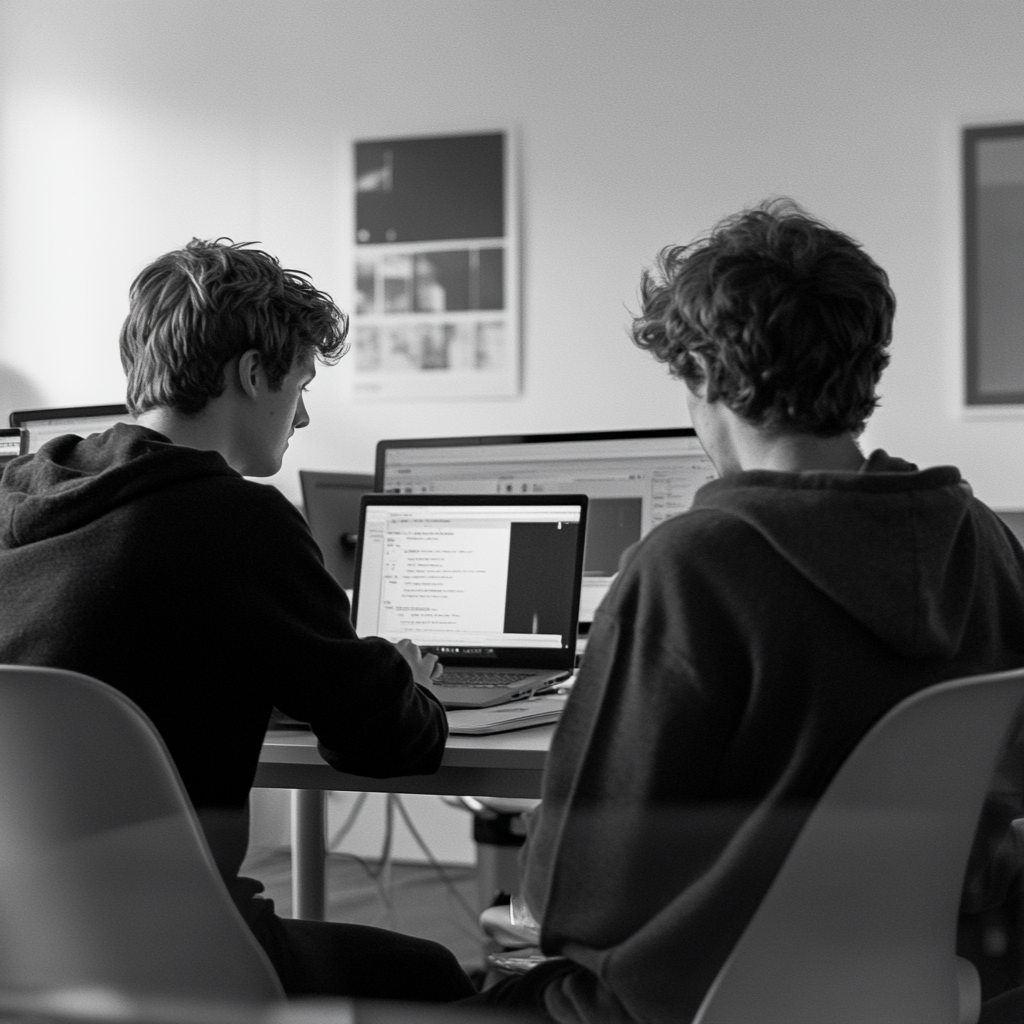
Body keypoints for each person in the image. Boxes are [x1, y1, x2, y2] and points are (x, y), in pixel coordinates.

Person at [470, 200, 1024, 1022]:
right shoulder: (979, 540)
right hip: (933, 977)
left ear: (700, 373)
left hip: (689, 1001)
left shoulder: (689, 567)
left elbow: (573, 900)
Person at [0, 238, 475, 1002]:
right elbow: (386, 741)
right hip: (175, 947)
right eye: (301, 384)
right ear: (253, 374)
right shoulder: (235, 520)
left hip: (21, 941)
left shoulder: (15, 498)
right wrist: (401, 677)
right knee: (437, 976)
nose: (306, 414)